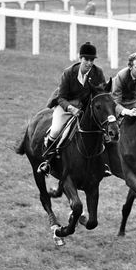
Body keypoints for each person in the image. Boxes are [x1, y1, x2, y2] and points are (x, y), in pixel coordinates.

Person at [39, 42, 107, 175]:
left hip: (85, 107)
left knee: (103, 129)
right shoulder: (69, 73)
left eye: (91, 60)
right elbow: (61, 97)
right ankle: (48, 161)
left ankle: (103, 164)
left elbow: (102, 94)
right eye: (86, 59)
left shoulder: (98, 72)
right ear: (80, 58)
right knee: (56, 130)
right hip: (66, 105)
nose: (89, 63)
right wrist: (71, 109)